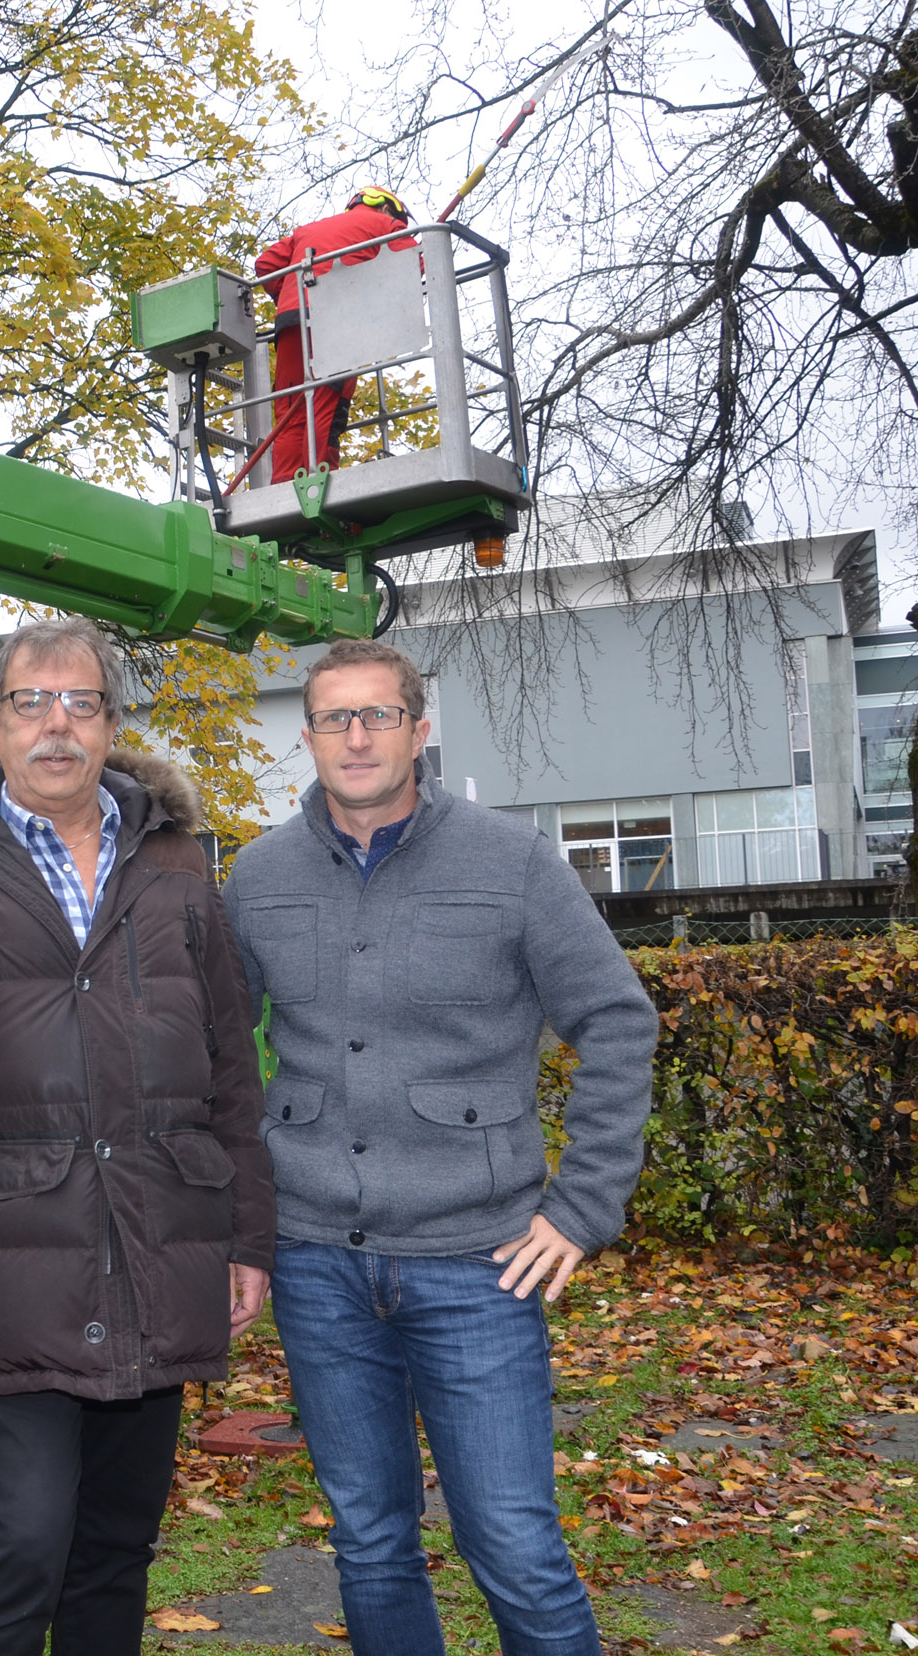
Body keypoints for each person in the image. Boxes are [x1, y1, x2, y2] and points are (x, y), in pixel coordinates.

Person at [0, 615, 275, 1656]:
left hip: (157, 1241)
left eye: (80, 703)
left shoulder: (176, 861)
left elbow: (230, 1063)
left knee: (117, 1543)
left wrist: (247, 1237)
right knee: (24, 1540)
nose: (55, 726)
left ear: (111, 725)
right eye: (30, 703)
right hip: (6, 1257)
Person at [222, 637, 658, 1656]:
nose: (357, 736)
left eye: (378, 715)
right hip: (318, 1262)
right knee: (369, 1539)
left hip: (478, 1263)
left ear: (420, 731)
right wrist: (235, 1213)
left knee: (509, 1539)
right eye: (335, 718)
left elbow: (616, 1020)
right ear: (310, 736)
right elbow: (211, 1053)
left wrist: (584, 1206)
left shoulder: (510, 864)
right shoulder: (257, 874)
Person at [249, 186, 418, 485]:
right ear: (386, 209)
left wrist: (291, 295)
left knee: (291, 411)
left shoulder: (307, 230)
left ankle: (284, 489)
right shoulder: (385, 225)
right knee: (326, 404)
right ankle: (321, 482)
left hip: (291, 321)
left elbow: (265, 264)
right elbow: (413, 265)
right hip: (337, 320)